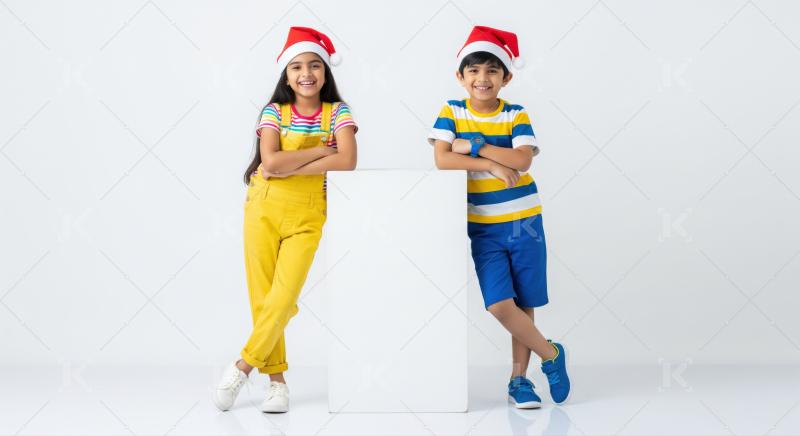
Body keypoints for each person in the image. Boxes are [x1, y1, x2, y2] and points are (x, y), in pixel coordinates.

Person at [213, 26, 357, 413]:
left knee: (284, 297)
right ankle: (277, 383)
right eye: (296, 66)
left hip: (309, 214)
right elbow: (270, 163)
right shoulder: (273, 112)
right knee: (264, 299)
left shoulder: (338, 112)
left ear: (326, 73)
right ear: (286, 74)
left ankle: (243, 366)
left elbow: (347, 161)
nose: (305, 73)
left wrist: (290, 163)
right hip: (263, 206)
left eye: (314, 65)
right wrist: (317, 154)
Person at [428, 25, 570, 409]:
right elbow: (442, 158)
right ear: (461, 77)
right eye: (473, 70)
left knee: (524, 301)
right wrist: (491, 163)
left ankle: (519, 381)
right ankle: (552, 354)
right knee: (498, 304)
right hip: (484, 225)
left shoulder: (516, 114)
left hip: (525, 219)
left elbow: (523, 160)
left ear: (506, 78)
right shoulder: (451, 111)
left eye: (492, 70)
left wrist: (473, 146)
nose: (482, 78)